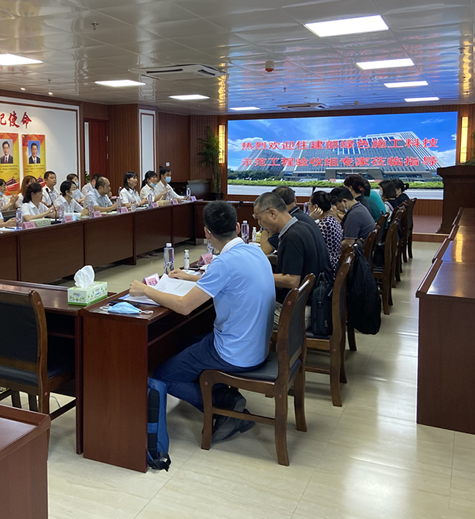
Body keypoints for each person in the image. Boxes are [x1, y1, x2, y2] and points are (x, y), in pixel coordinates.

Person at [129, 201, 275, 442]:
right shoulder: (255, 251)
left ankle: (225, 406)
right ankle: (224, 396)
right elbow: (230, 280)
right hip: (257, 345)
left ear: (207, 232)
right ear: (237, 227)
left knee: (164, 375)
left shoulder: (224, 263)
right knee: (183, 342)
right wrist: (190, 278)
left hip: (233, 351)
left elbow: (184, 306)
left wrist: (146, 290)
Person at [253, 192, 331, 315]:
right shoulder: (302, 226)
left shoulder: (292, 237)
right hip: (317, 297)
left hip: (300, 308)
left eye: (259, 218)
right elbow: (300, 260)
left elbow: (291, 280)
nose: (259, 224)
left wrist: (255, 275)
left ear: (272, 213)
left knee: (248, 311)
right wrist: (270, 259)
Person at [260, 186, 321, 255]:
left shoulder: (288, 221)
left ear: (274, 205)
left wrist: (265, 227)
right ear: (295, 201)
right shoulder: (303, 217)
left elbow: (264, 251)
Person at [309, 191, 343, 269]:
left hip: (327, 266)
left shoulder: (324, 225)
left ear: (315, 207)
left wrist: (310, 219)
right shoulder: (332, 219)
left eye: (309, 204)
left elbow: (309, 244)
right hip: (335, 262)